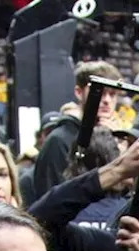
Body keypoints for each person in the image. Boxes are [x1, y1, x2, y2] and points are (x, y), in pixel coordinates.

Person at [31, 61, 121, 206]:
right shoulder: (59, 140)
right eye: (101, 92)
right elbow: (49, 199)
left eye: (112, 94)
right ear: (79, 92)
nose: (107, 101)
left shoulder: (117, 138)